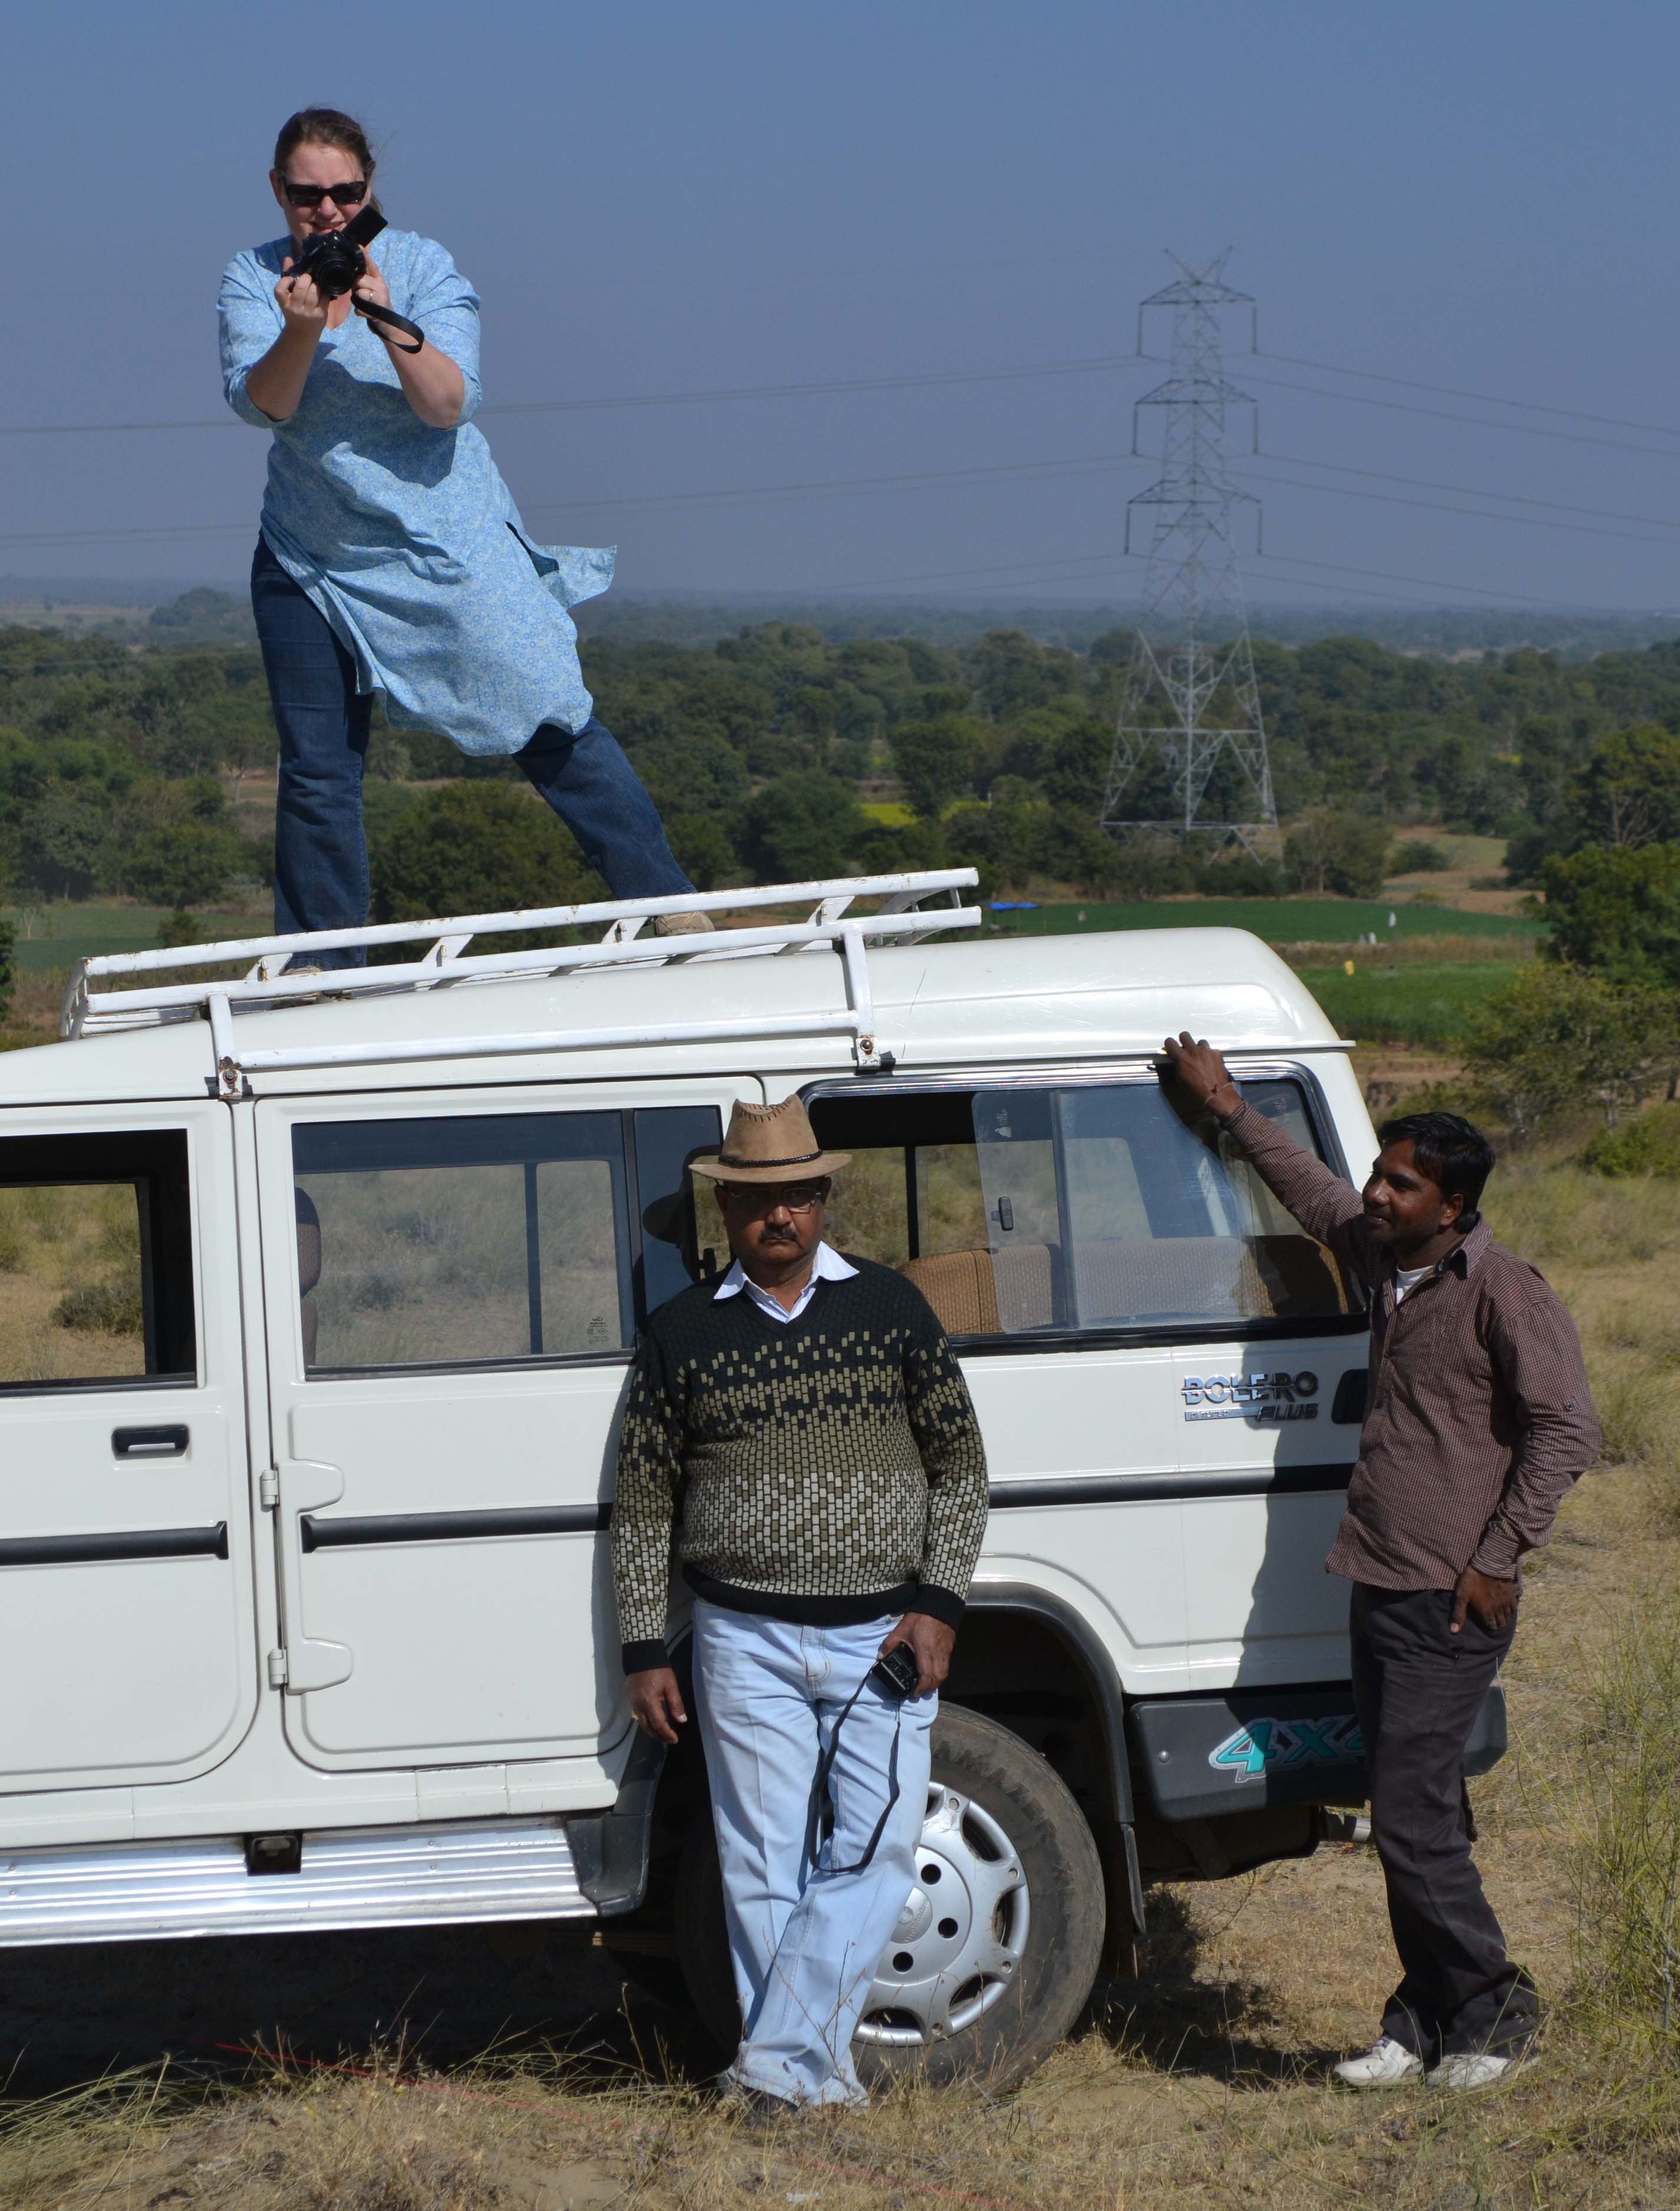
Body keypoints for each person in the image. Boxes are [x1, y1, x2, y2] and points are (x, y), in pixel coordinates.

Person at [1161, 1036, 1600, 2092]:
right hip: (1381, 1575)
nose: (1375, 1189)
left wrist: (1497, 1557)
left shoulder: (1500, 1288)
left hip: (1455, 1594)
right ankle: (1422, 2016)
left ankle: (1494, 2009)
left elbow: (1565, 1428)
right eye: (1380, 1170)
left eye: (1400, 1182)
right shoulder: (1381, 1260)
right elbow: (1310, 1189)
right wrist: (1227, 1109)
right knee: (1415, 1812)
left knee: (1408, 1819)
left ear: (1450, 1206)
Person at [219, 107, 701, 969]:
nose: (326, 212)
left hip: (447, 542)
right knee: (320, 771)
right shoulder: (254, 280)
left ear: (371, 190)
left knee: (549, 711)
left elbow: (448, 403)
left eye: (345, 193)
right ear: (277, 192)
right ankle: (322, 967)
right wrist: (300, 327)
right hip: (311, 556)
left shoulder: (422, 265)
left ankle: (669, 907)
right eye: (306, 194)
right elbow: (269, 405)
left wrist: (385, 316)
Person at [610, 1096, 989, 2116]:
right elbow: (645, 1498)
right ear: (727, 1209)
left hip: (886, 1633)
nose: (778, 1217)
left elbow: (960, 1465)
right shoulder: (681, 1331)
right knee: (760, 1863)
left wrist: (940, 1606)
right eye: (756, 1200)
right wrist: (645, 1646)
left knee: (870, 1848)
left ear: (822, 1199)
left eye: (796, 1196)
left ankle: (774, 2068)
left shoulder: (893, 1308)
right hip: (742, 1638)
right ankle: (807, 2081)